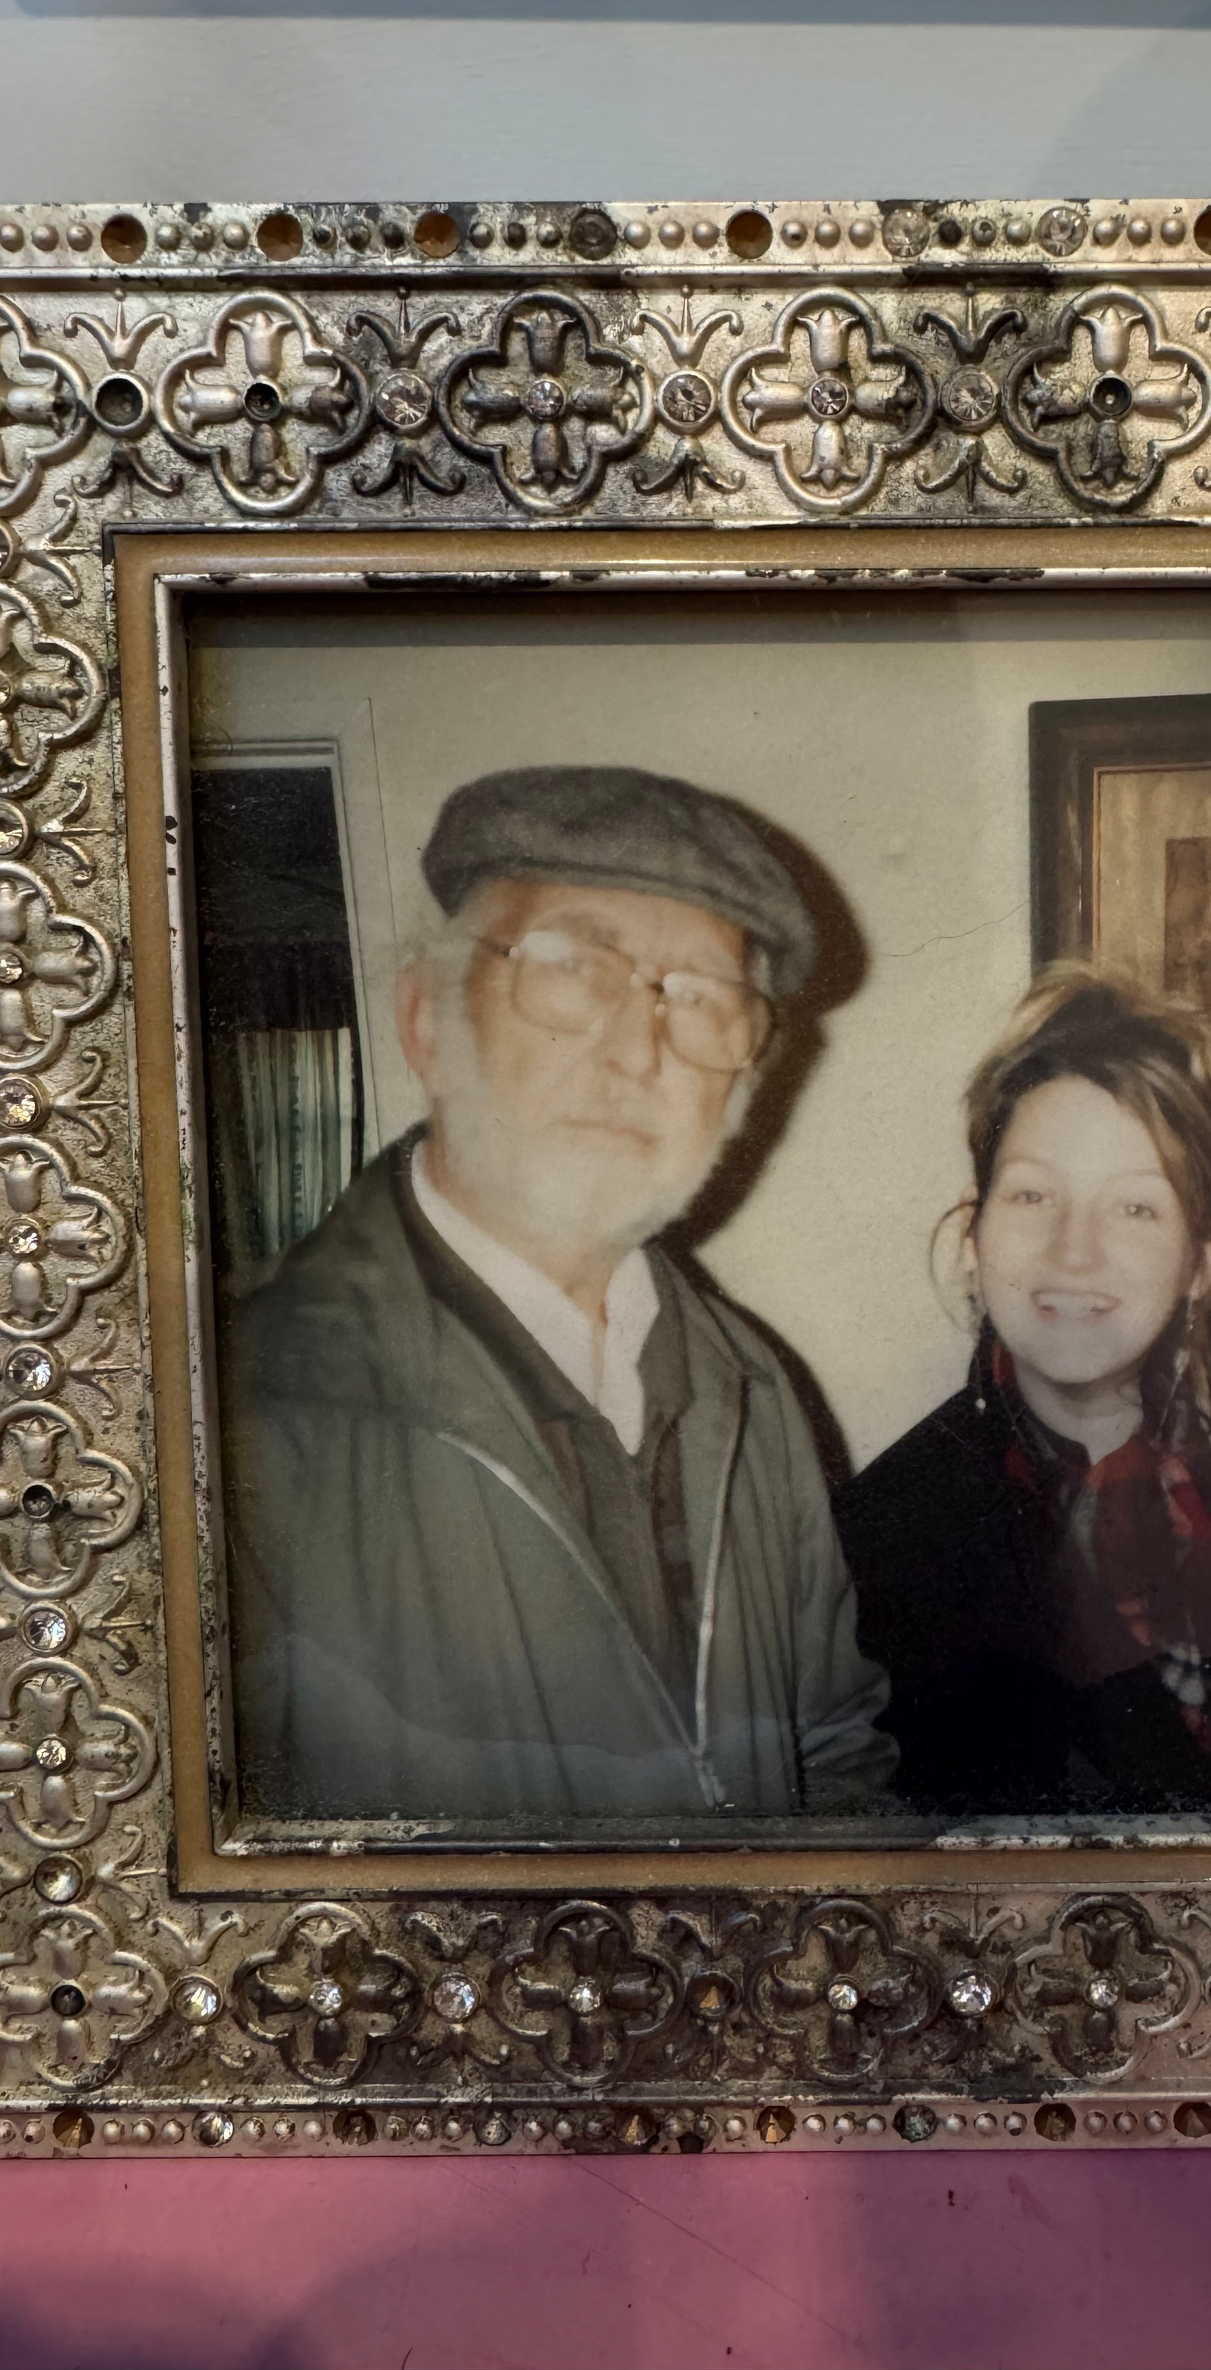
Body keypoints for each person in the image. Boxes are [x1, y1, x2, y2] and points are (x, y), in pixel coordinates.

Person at [222, 765, 894, 1826]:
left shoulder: (756, 1394)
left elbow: (833, 1757)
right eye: (574, 968)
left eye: (702, 1000)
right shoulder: (223, 1425)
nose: (637, 1050)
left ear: (746, 1087)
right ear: (426, 1023)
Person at [835, 965, 1211, 1820]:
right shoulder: (877, 1549)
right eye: (1032, 1195)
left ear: (1203, 1259)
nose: (1074, 1253)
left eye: (1134, 1209)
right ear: (974, 1231)